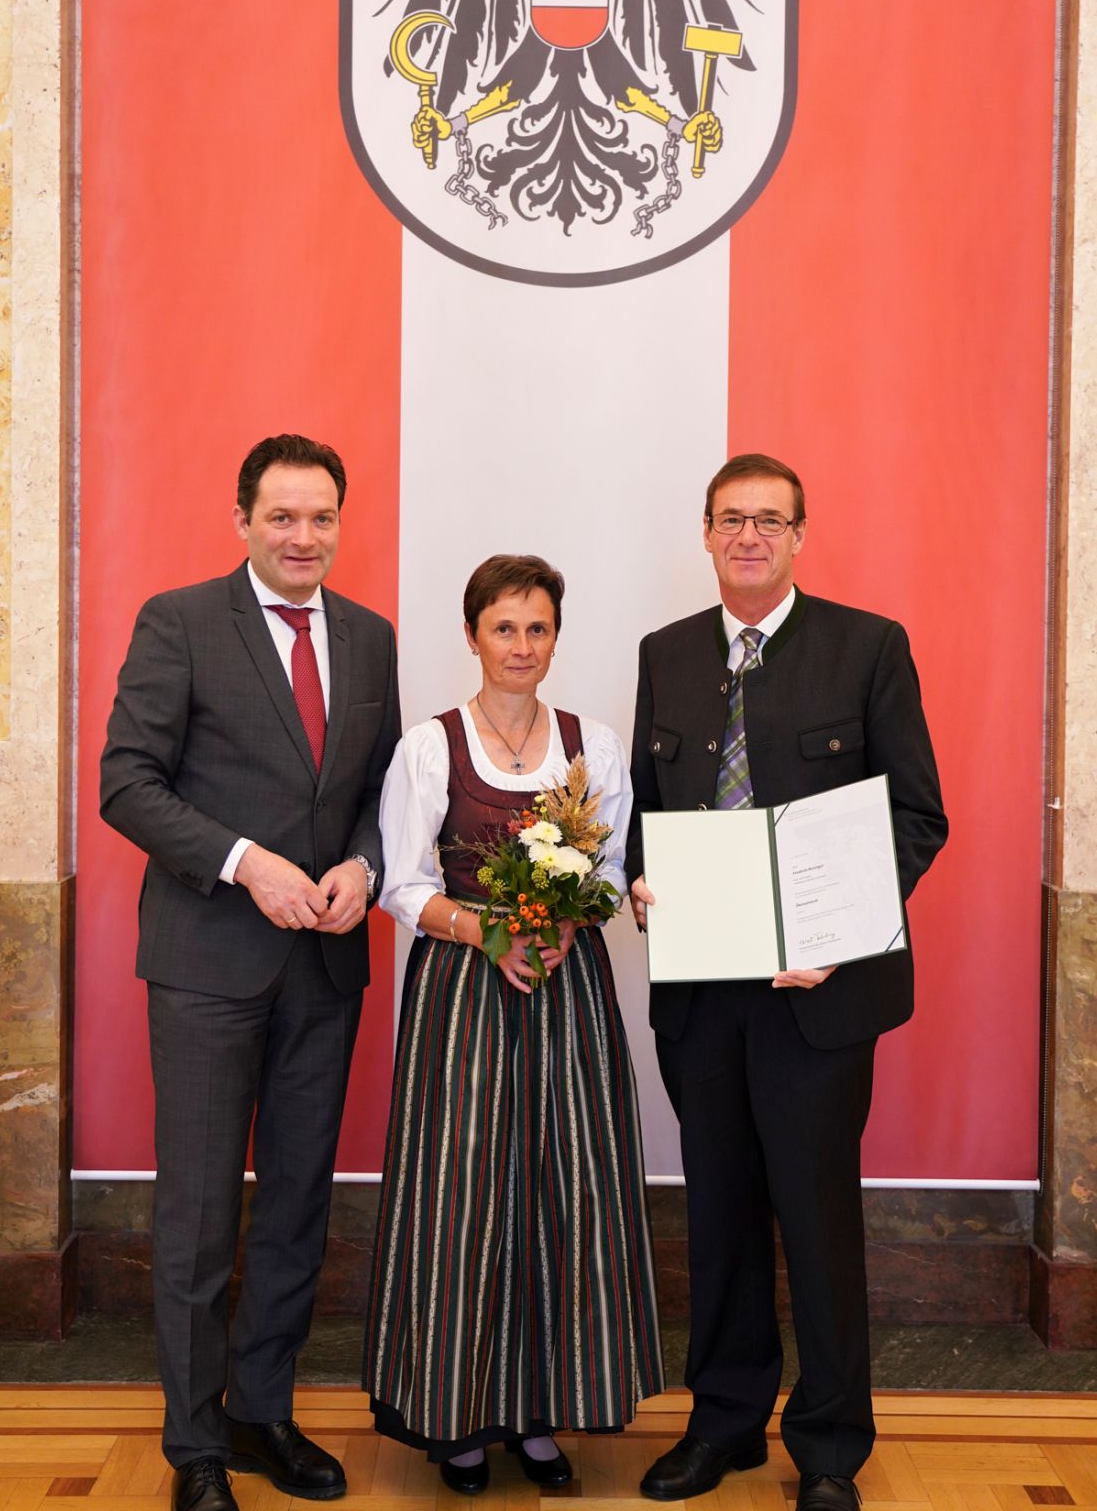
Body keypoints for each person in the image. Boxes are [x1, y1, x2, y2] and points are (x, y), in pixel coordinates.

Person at [628, 455, 947, 1511]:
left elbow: (916, 816)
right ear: (707, 533)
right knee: (717, 1210)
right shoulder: (665, 653)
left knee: (815, 1216)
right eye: (733, 519)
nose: (751, 536)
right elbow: (647, 805)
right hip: (702, 995)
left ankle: (827, 1447)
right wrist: (637, 880)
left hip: (820, 993)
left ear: (802, 534)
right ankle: (723, 1422)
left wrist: (840, 926)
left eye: (771, 520)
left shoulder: (868, 646)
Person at [100, 434, 401, 1511]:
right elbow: (126, 782)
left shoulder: (370, 638)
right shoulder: (178, 622)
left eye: (321, 516)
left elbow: (384, 786)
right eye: (282, 516)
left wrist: (368, 861)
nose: (303, 536)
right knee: (195, 1209)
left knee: (295, 1203)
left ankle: (261, 1409)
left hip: (326, 964)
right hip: (207, 961)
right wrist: (243, 862)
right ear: (242, 521)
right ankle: (195, 1446)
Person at [364, 554, 663, 1495]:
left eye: (538, 629)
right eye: (505, 628)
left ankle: (537, 1414)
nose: (522, 647)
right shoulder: (429, 746)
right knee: (461, 1201)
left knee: (560, 1192)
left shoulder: (593, 745)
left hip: (566, 991)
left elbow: (613, 869)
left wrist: (566, 921)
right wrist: (487, 933)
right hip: (464, 995)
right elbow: (403, 885)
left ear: (554, 638)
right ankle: (455, 1420)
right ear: (472, 635)